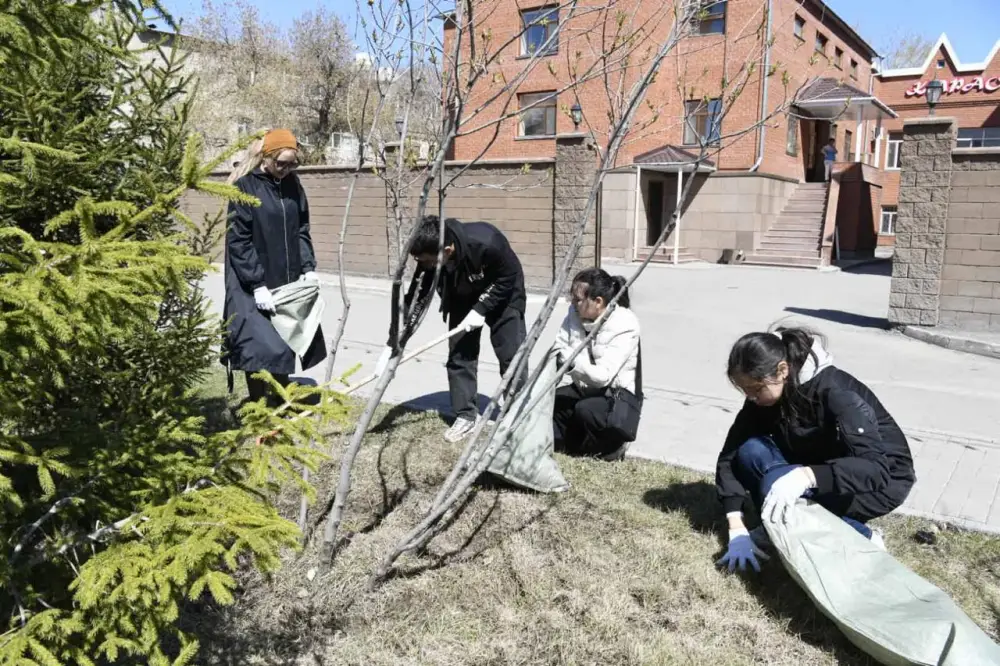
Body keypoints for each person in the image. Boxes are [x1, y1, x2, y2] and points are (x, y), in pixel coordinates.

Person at [714, 327, 916, 573]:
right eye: (745, 390)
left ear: (782, 370)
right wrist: (736, 526)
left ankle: (863, 536)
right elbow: (731, 453)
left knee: (775, 482)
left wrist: (807, 476)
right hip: (821, 462)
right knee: (750, 452)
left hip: (881, 481)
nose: (751, 398)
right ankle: (780, 520)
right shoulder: (766, 394)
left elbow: (875, 470)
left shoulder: (837, 393)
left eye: (756, 389)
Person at [377, 215, 527, 442]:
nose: (425, 265)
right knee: (459, 356)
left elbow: (508, 276)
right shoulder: (429, 257)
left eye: (429, 262)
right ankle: (466, 415)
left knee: (511, 355)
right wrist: (393, 343)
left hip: (504, 295)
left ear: (447, 250)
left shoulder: (488, 242)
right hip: (461, 296)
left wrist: (481, 308)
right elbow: (416, 298)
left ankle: (518, 414)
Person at [222, 128, 326, 404]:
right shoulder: (245, 187)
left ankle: (279, 402)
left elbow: (301, 228)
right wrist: (257, 284)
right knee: (256, 346)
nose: (286, 169)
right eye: (281, 163)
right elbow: (239, 240)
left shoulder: (293, 184)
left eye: (292, 164)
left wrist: (308, 268)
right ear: (265, 157)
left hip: (286, 278)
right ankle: (258, 407)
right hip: (251, 282)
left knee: (284, 342)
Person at [551, 268, 641, 462]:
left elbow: (603, 377)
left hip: (613, 396)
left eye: (578, 299)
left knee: (586, 410)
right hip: (584, 386)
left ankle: (610, 450)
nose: (572, 303)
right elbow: (560, 345)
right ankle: (566, 448)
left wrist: (570, 362)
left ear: (598, 301)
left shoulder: (625, 323)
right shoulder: (574, 314)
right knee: (553, 401)